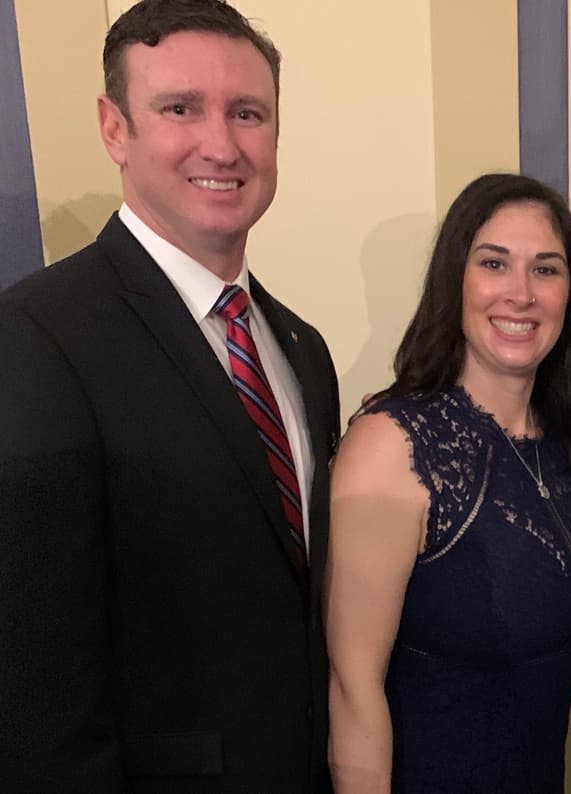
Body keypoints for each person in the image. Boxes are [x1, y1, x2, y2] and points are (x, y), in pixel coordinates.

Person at [0, 1, 339, 791]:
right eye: (180, 108)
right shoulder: (37, 337)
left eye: (248, 113)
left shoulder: (300, 349)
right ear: (114, 128)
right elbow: (33, 683)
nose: (220, 144)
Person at [326, 173, 571, 793]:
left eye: (546, 270)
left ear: (569, 293)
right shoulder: (394, 444)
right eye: (495, 264)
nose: (520, 294)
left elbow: (569, 585)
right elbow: (351, 686)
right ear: (455, 282)